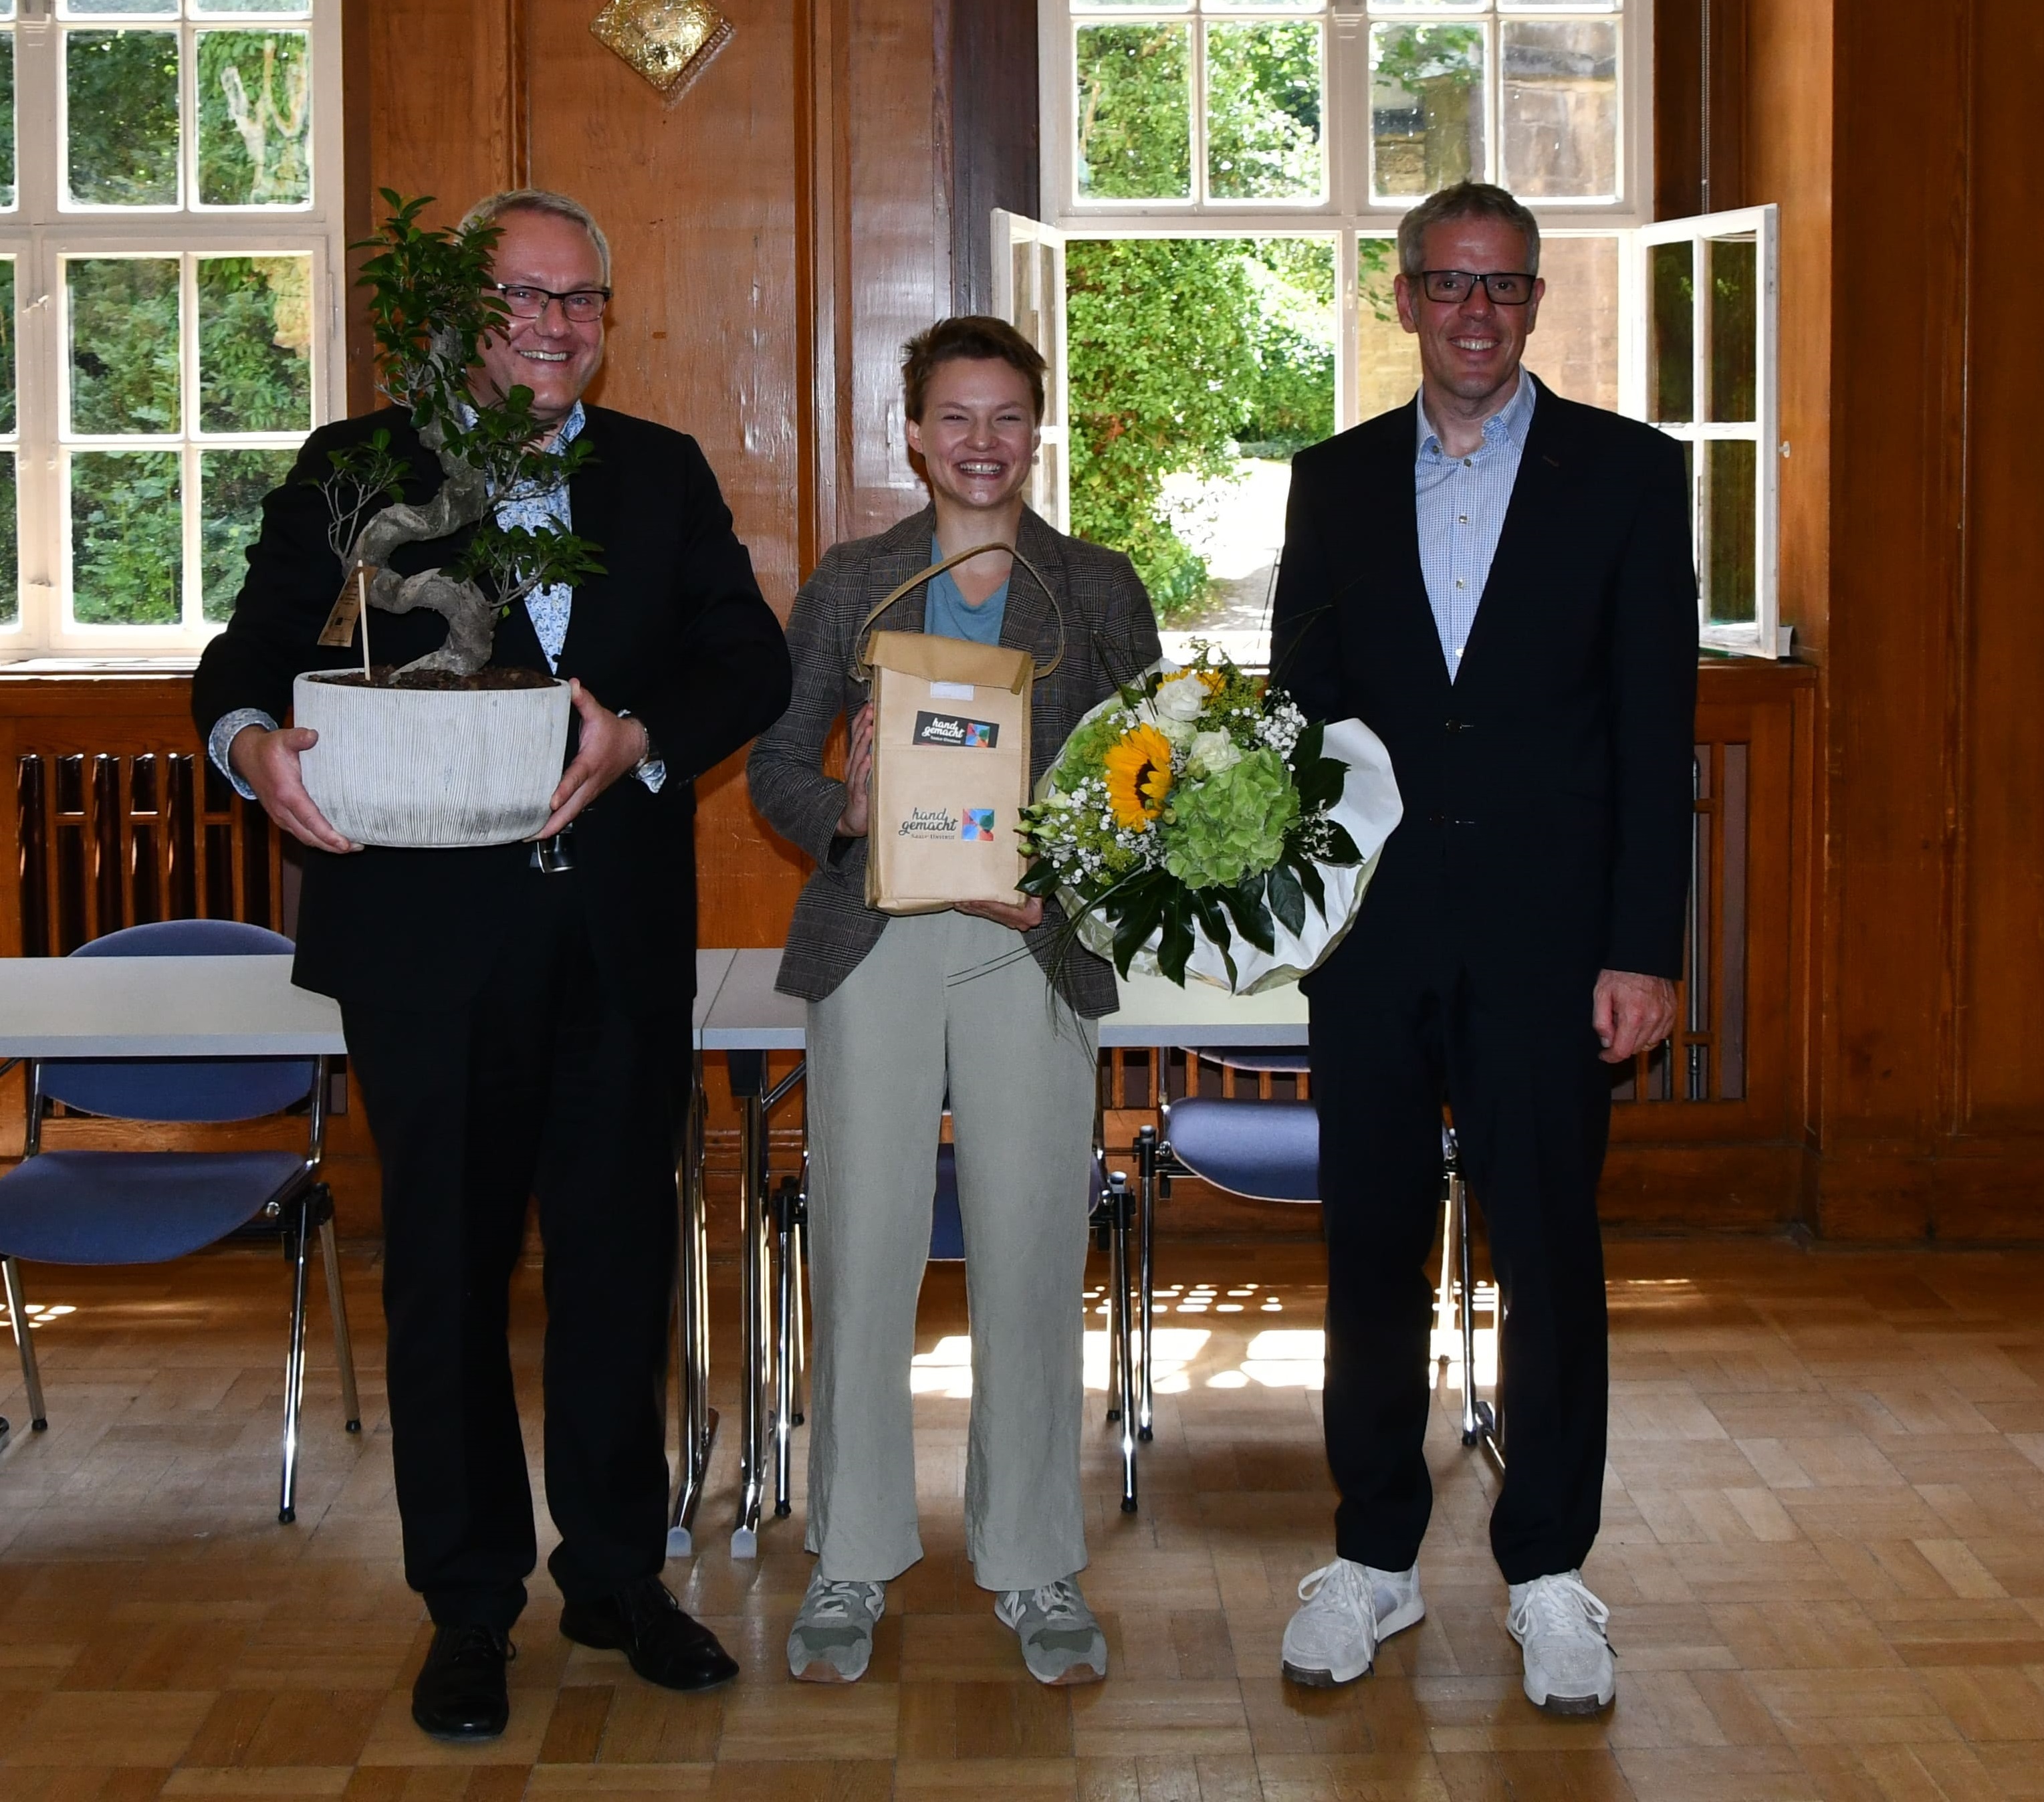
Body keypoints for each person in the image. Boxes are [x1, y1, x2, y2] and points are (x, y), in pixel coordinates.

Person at [192, 189, 792, 1740]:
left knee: (615, 1266)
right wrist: (254, 747)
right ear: (460, 314)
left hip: (611, 941)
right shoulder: (358, 468)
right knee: (446, 1277)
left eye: (579, 299)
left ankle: (613, 1575)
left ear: (606, 316)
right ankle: (468, 1605)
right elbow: (244, 658)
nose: (553, 325)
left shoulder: (655, 474)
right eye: (522, 297)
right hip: (421, 951)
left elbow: (750, 657)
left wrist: (644, 735)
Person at [1267, 182, 1698, 1714]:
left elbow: (1658, 732)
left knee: (1550, 1257)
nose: (1473, 312)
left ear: (1532, 302)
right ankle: (1373, 1556)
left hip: (1550, 946)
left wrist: (1640, 947)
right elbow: (1297, 719)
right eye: (1445, 284)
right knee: (1367, 1253)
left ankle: (1548, 1571)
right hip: (1373, 945)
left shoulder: (1630, 477)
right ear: (1400, 300)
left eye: (1501, 287)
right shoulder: (1328, 481)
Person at [747, 316, 1159, 1688]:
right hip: (876, 941)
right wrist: (847, 813)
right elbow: (772, 770)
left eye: (1005, 418)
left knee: (1034, 1252)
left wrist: (1072, 890)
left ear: (1032, 431)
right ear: (911, 434)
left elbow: (1145, 783)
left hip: (1028, 952)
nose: (981, 442)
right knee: (861, 1250)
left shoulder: (1094, 587)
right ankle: (851, 1560)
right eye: (954, 418)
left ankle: (1033, 1560)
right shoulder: (854, 579)